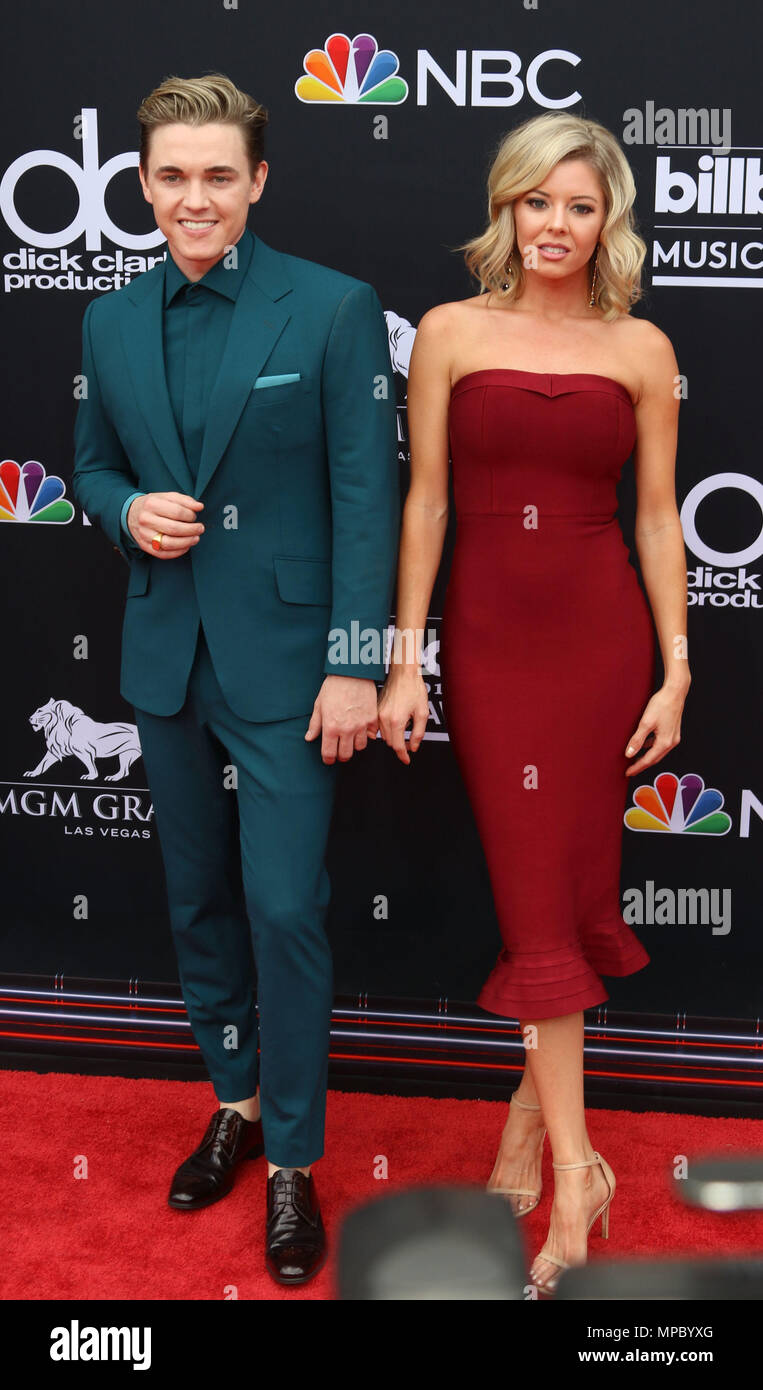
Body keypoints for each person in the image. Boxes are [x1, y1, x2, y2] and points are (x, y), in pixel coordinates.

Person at [73, 72, 399, 1287]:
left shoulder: (331, 309)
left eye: (220, 175)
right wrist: (121, 510)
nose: (194, 198)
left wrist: (357, 663)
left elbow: (367, 497)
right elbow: (89, 464)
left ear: (257, 180)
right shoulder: (107, 318)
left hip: (291, 666)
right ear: (143, 182)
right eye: (172, 176)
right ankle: (238, 1099)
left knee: (283, 911)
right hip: (166, 656)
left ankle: (295, 1165)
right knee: (199, 906)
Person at [377, 111, 689, 1294]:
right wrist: (405, 657)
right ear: (505, 207)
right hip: (494, 649)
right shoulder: (452, 333)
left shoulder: (642, 348)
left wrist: (675, 664)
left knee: (558, 897)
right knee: (532, 898)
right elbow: (427, 506)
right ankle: (575, 1165)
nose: (554, 225)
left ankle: (554, 1159)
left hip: (601, 640)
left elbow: (659, 518)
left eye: (579, 206)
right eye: (535, 202)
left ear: (606, 220)